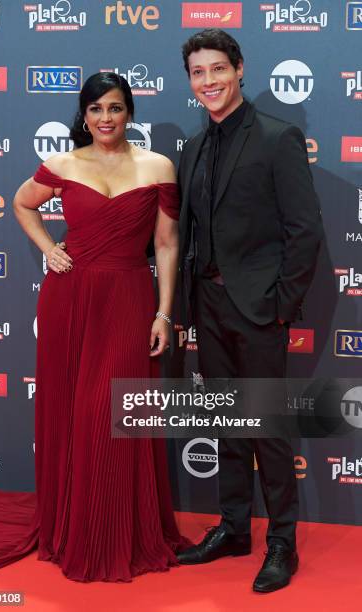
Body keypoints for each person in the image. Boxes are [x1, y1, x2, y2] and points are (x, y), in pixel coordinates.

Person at [0, 72, 188, 584]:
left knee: (115, 411)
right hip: (71, 298)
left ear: (130, 113)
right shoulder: (62, 163)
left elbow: (167, 244)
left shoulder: (158, 166)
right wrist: (49, 249)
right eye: (96, 109)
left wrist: (164, 312)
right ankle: (72, 528)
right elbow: (21, 203)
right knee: (75, 410)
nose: (106, 118)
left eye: (116, 108)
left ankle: (118, 532)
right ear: (83, 115)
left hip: (128, 297)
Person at [176, 29, 323, 593]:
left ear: (239, 69)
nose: (208, 81)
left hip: (260, 309)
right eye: (198, 73)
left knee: (266, 427)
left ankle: (280, 539)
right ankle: (234, 528)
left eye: (217, 69)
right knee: (225, 422)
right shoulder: (191, 148)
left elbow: (304, 230)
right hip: (207, 304)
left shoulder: (276, 138)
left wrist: (281, 306)